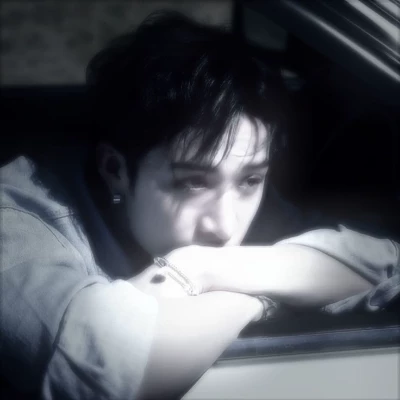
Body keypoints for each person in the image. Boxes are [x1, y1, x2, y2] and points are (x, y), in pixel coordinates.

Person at [1, 11, 399, 400]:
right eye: (193, 182)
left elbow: (381, 261)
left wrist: (200, 268)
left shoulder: (238, 205)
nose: (225, 226)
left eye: (251, 179)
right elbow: (100, 372)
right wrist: (254, 298)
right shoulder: (16, 222)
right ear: (115, 169)